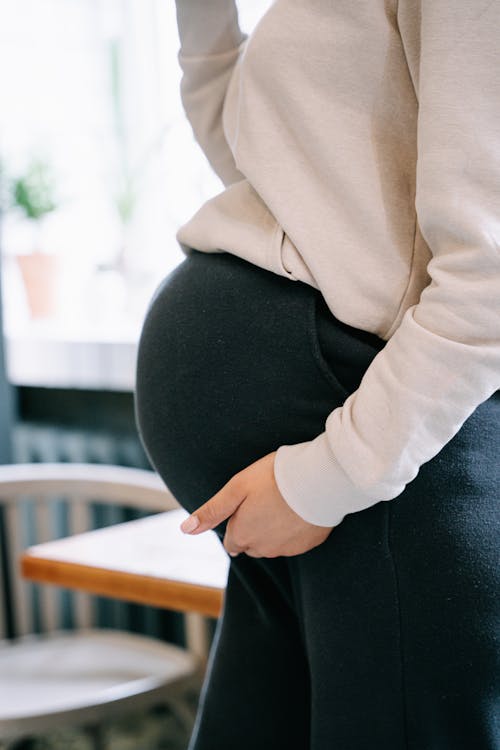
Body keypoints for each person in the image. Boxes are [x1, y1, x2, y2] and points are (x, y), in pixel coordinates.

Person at [134, 1, 500, 748]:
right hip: (318, 488)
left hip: (378, 464)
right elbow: (268, 168)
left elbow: (491, 276)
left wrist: (327, 477)